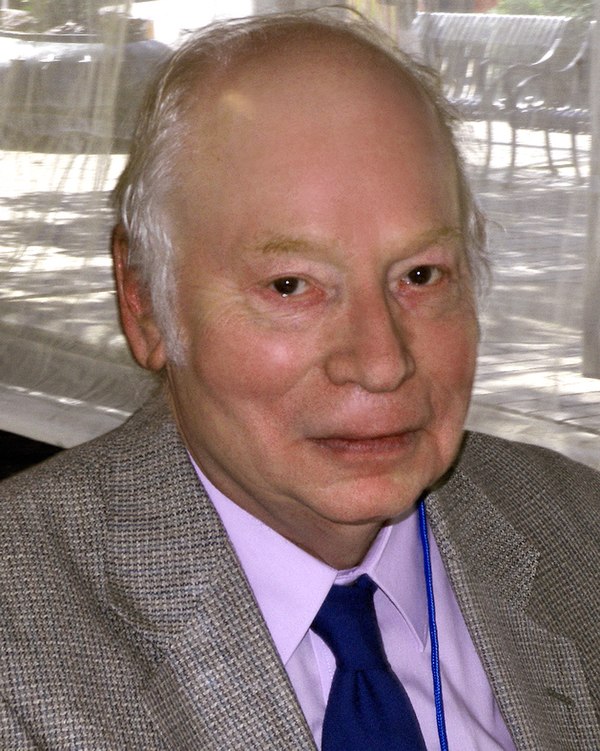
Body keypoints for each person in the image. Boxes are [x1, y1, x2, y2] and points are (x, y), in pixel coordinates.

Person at [1, 8, 598, 750]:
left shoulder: (581, 530)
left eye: (420, 274)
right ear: (144, 301)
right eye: (290, 286)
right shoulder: (19, 644)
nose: (382, 361)